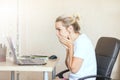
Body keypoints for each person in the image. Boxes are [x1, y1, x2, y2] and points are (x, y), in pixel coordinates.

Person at [55, 14, 97, 80]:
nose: (57, 33)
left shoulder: (82, 42)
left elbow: (74, 70)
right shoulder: (74, 41)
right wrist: (68, 48)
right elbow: (69, 66)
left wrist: (71, 47)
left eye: (59, 29)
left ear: (70, 28)